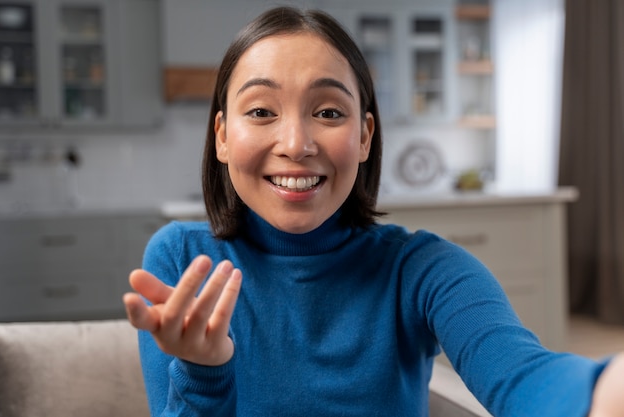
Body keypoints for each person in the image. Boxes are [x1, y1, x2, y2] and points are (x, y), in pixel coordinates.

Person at [123, 6, 624, 417]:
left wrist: (603, 392)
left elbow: (522, 375)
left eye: (328, 113)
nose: (296, 144)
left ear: (363, 136)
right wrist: (205, 371)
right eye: (260, 111)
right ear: (223, 136)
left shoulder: (422, 269)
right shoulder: (181, 260)